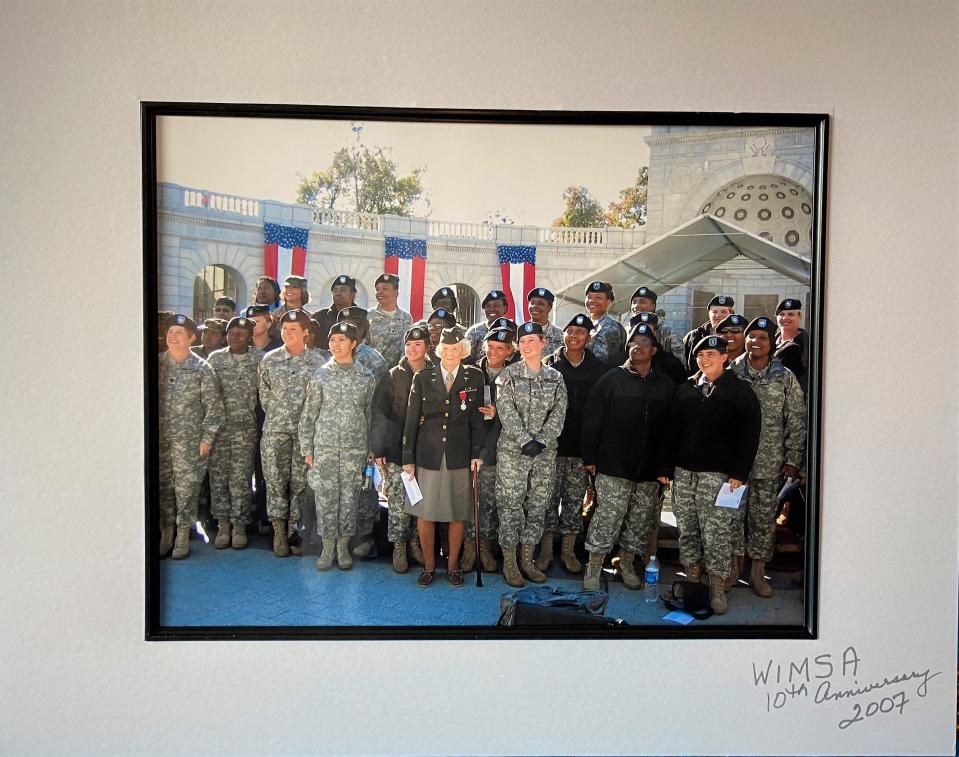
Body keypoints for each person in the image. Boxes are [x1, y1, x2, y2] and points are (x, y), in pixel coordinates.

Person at [580, 322, 676, 590]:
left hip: (649, 471)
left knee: (638, 521)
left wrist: (666, 467)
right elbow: (592, 420)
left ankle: (626, 565)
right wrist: (590, 458)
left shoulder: (665, 385)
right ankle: (594, 567)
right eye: (633, 344)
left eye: (644, 344)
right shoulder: (611, 379)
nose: (638, 348)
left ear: (654, 350)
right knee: (606, 518)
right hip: (613, 467)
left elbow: (671, 430)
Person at [671, 335, 761, 614]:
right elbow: (671, 431)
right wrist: (668, 468)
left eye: (712, 353)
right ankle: (693, 578)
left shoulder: (740, 391)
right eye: (700, 355)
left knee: (716, 533)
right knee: (687, 528)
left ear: (724, 357)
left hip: (719, 475)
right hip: (685, 473)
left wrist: (739, 472)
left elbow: (750, 433)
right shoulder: (686, 389)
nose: (705, 359)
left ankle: (717, 586)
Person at [402, 325, 485, 588]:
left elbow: (476, 420)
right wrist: (408, 457)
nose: (450, 354)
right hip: (428, 452)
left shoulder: (475, 377)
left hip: (459, 453)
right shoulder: (424, 378)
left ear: (464, 351)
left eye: (456, 349)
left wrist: (476, 454)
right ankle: (428, 567)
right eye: (446, 349)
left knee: (457, 514)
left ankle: (452, 567)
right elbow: (411, 420)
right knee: (425, 513)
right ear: (439, 351)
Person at [729, 316, 806, 596]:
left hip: (769, 464)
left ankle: (758, 573)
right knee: (732, 518)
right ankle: (732, 571)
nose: (755, 341)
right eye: (751, 336)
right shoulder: (731, 373)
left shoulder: (783, 377)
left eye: (762, 337)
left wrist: (792, 459)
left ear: (772, 343)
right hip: (734, 464)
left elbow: (796, 419)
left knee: (762, 521)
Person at [494, 321, 568, 587]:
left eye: (531, 341)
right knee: (510, 506)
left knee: (537, 507)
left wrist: (542, 441)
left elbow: (559, 414)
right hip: (514, 453)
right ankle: (510, 562)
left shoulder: (555, 377)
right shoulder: (508, 376)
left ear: (543, 344)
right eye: (522, 342)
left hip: (544, 455)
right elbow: (506, 411)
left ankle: (528, 559)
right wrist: (526, 440)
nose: (526, 346)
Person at [299, 322, 377, 571]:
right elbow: (309, 414)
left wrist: (370, 448)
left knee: (350, 497)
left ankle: (343, 546)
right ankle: (327, 546)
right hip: (325, 447)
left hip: (355, 447)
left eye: (341, 340)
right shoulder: (321, 374)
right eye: (332, 339)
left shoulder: (366, 377)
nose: (335, 344)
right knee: (325, 497)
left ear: (353, 344)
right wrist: (307, 449)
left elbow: (370, 415)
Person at [537, 313, 607, 573]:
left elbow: (601, 413)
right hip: (551, 448)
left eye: (580, 332)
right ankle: (545, 550)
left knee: (574, 500)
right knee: (547, 499)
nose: (574, 336)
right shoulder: (548, 365)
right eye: (570, 331)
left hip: (582, 449)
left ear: (588, 338)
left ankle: (567, 551)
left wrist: (594, 453)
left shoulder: (599, 370)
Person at [257, 309, 327, 557]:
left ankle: (294, 530)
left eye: (293, 329)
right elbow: (264, 396)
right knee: (275, 481)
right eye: (285, 329)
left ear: (306, 333)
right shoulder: (270, 360)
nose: (287, 333)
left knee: (300, 484)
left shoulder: (318, 363)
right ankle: (278, 529)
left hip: (304, 434)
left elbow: (319, 400)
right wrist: (280, 416)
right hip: (275, 430)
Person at [158, 314, 225, 560]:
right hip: (161, 441)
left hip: (189, 442)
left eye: (179, 333)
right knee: (163, 488)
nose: (173, 337)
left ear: (191, 338)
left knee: (186, 490)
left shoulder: (202, 369)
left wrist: (206, 438)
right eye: (170, 333)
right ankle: (166, 534)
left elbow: (214, 408)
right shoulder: (157, 365)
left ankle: (183, 535)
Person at [371, 326, 431, 573]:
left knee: (420, 502)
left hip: (427, 452)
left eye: (418, 345)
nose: (412, 349)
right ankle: (398, 546)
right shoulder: (393, 375)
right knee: (397, 501)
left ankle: (416, 542)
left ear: (427, 347)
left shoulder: (435, 375)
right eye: (408, 344)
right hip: (396, 451)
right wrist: (379, 448)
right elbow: (379, 413)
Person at [336, 306, 388, 557]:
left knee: (365, 487)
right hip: (335, 437)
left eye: (356, 323)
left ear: (365, 328)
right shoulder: (331, 358)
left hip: (364, 435)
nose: (350, 327)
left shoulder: (374, 360)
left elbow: (382, 404)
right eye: (345, 322)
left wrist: (376, 441)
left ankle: (364, 538)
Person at [460, 327, 514, 573]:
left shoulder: (514, 376)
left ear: (509, 351)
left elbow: (522, 414)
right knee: (470, 501)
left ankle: (485, 547)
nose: (494, 353)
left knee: (489, 503)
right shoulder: (471, 372)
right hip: (469, 448)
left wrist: (498, 414)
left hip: (497, 452)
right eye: (490, 347)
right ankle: (470, 547)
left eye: (500, 349)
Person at [206, 316, 262, 549]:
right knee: (218, 478)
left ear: (250, 336)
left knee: (240, 479)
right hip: (218, 430)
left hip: (245, 429)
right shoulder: (215, 359)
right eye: (231, 332)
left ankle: (239, 526)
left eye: (241, 333)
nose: (235, 336)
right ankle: (223, 525)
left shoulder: (259, 360)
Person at [624, 286, 684, 362]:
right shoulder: (626, 329)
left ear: (653, 306)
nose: (636, 306)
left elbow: (680, 363)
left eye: (642, 302)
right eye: (634, 302)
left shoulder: (667, 331)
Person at [368, 273, 414, 369]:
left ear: (396, 293)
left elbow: (407, 346)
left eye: (385, 289)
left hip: (397, 374)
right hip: (373, 372)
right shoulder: (368, 316)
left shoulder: (406, 318)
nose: (380, 292)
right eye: (377, 289)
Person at [629, 312, 687, 384]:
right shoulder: (621, 360)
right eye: (637, 331)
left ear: (655, 332)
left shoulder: (670, 364)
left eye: (649, 331)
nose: (643, 336)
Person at [682, 295, 734, 373]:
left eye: (723, 312)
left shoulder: (737, 337)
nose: (718, 315)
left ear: (731, 315)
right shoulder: (694, 336)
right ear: (709, 314)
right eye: (714, 312)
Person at [584, 281, 627, 367]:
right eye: (589, 297)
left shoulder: (612, 327)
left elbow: (612, 361)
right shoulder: (583, 323)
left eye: (598, 297)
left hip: (602, 377)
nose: (592, 301)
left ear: (609, 301)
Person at [313, 274, 357, 350]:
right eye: (335, 290)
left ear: (353, 294)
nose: (337, 293)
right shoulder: (320, 317)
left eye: (343, 290)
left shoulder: (361, 317)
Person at [774, 298, 809, 393]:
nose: (785, 318)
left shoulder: (807, 345)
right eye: (781, 314)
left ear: (799, 317)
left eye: (791, 314)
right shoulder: (769, 343)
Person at [465, 289, 509, 359]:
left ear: (505, 308)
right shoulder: (474, 331)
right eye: (488, 306)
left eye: (496, 305)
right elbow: (466, 358)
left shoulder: (513, 330)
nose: (491, 309)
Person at [526, 287, 565, 356]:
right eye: (532, 303)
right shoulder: (519, 332)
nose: (534, 306)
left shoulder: (560, 335)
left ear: (549, 308)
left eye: (540, 304)